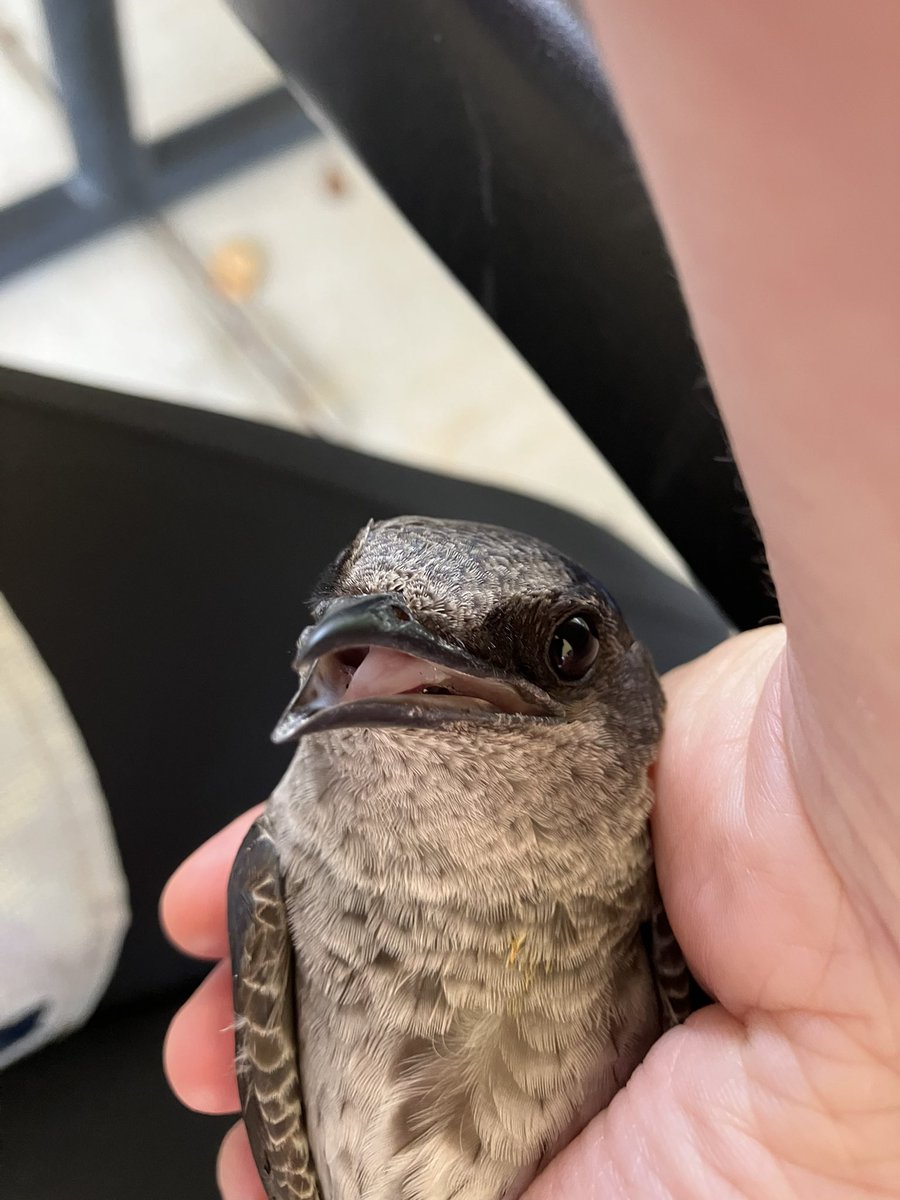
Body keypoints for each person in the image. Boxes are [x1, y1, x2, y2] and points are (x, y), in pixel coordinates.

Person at [161, 3, 900, 1196]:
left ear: (628, 738)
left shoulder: (677, 893)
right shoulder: (280, 887)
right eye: (353, 622)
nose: (382, 642)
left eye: (558, 650)